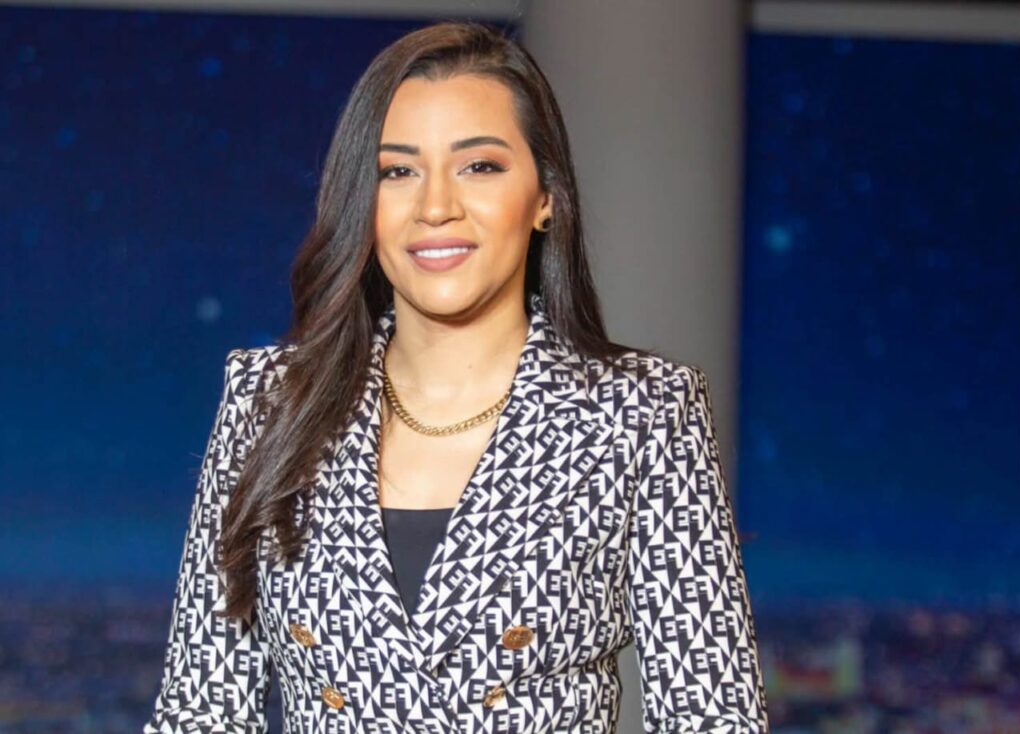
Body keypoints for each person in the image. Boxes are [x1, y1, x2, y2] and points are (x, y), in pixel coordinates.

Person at [143, 19, 769, 734]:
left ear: (546, 196)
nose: (435, 206)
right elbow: (201, 710)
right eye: (398, 171)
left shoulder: (641, 412)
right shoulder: (271, 403)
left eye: (480, 166)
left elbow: (712, 716)